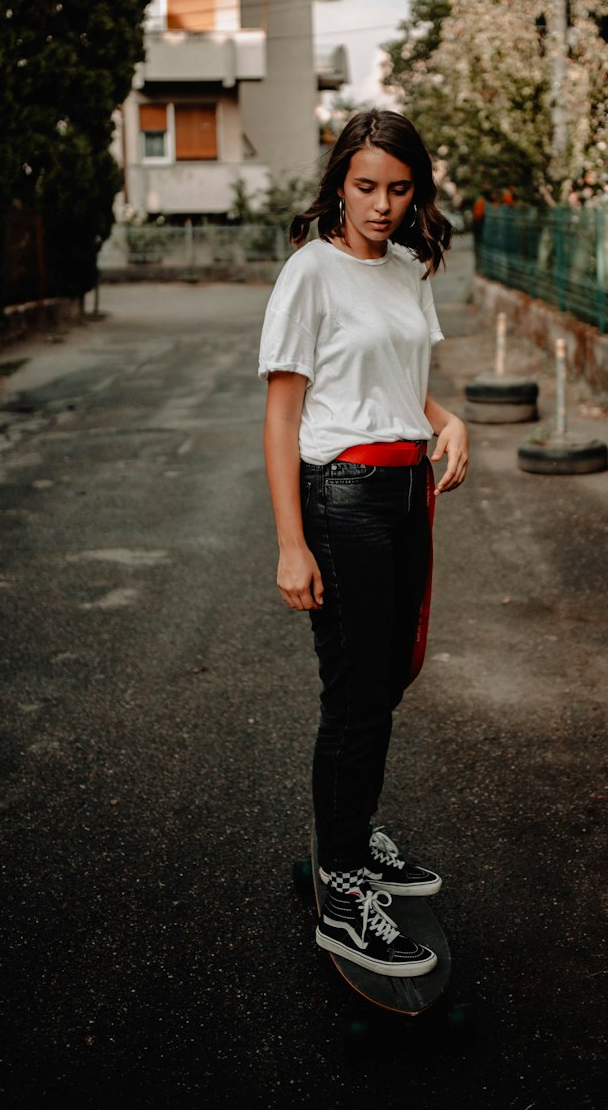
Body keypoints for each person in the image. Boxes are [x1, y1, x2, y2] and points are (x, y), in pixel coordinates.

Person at [259, 109, 469, 978]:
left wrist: (445, 415)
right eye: (366, 187)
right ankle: (342, 889)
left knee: (390, 674)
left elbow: (396, 380)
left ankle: (351, 833)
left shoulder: (412, 269)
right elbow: (281, 413)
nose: (381, 206)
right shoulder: (310, 273)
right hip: (340, 493)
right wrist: (289, 543)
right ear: (339, 183)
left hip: (405, 489)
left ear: (416, 189)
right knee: (354, 691)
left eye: (399, 188)